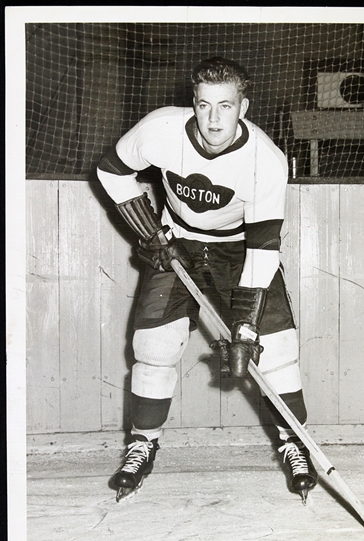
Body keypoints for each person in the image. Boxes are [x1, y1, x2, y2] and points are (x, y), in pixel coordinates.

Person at [97, 56, 317, 503]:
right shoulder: (159, 129)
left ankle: (294, 445)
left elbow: (262, 247)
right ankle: (142, 444)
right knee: (154, 350)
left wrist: (246, 327)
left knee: (276, 353)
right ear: (192, 104)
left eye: (225, 105)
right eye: (203, 105)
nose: (213, 119)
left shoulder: (266, 161)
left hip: (240, 249)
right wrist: (151, 233)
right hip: (175, 241)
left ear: (244, 106)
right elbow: (111, 171)